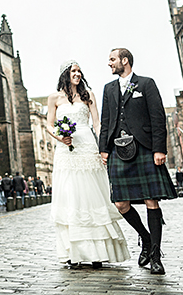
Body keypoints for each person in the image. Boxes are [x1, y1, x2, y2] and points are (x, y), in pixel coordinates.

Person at [98, 48, 176, 275]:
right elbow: (106, 121)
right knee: (121, 203)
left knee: (152, 201)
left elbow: (158, 117)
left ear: (125, 60)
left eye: (112, 59)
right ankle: (145, 236)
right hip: (117, 151)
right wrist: (104, 149)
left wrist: (159, 149)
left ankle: (156, 255)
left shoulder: (146, 84)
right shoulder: (109, 89)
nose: (109, 63)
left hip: (144, 148)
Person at [48, 59, 128, 270]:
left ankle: (97, 254)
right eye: (74, 71)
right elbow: (49, 124)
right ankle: (73, 254)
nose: (78, 74)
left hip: (87, 146)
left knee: (92, 196)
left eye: (80, 71)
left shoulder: (89, 95)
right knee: (71, 196)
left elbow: (97, 123)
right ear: (66, 73)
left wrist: (104, 147)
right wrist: (60, 137)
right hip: (66, 149)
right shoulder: (54, 98)